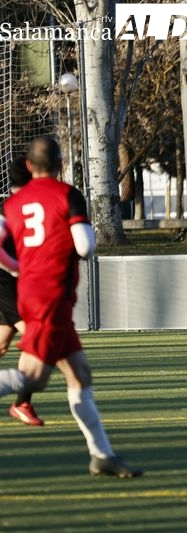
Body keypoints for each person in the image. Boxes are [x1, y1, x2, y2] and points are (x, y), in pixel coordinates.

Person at [0, 137, 142, 477]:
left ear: (30, 166)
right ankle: (102, 455)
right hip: (52, 293)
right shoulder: (67, 195)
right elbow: (85, 247)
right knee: (33, 376)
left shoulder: (12, 203)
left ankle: (102, 455)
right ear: (61, 163)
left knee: (80, 374)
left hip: (31, 291)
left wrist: (21, 267)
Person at [0, 156, 42, 425]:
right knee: (38, 339)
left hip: (14, 285)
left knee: (2, 343)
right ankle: (22, 403)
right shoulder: (11, 208)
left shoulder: (27, 204)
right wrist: (17, 268)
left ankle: (22, 403)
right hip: (5, 284)